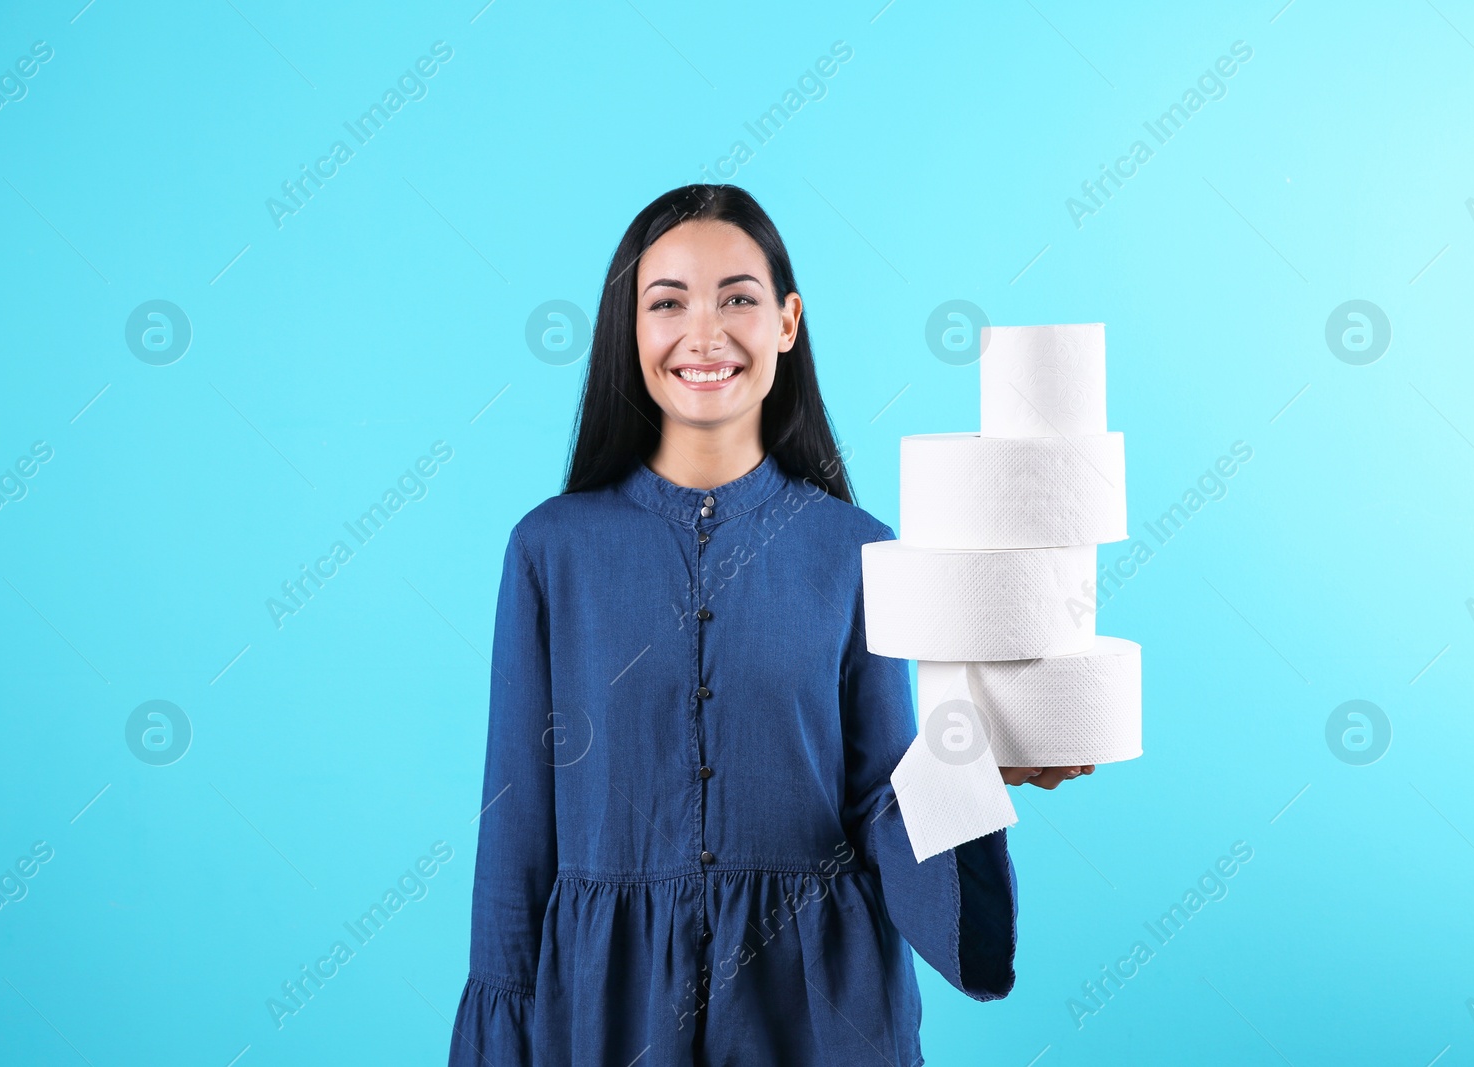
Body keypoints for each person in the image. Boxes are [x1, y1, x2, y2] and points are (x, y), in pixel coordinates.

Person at [447, 183, 1094, 1066]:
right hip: (605, 1014)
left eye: (739, 299)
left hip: (822, 1009)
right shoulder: (549, 551)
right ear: (628, 329)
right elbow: (516, 829)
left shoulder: (858, 551)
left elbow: (880, 804)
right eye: (667, 301)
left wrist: (981, 772)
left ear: (788, 322)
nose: (704, 333)